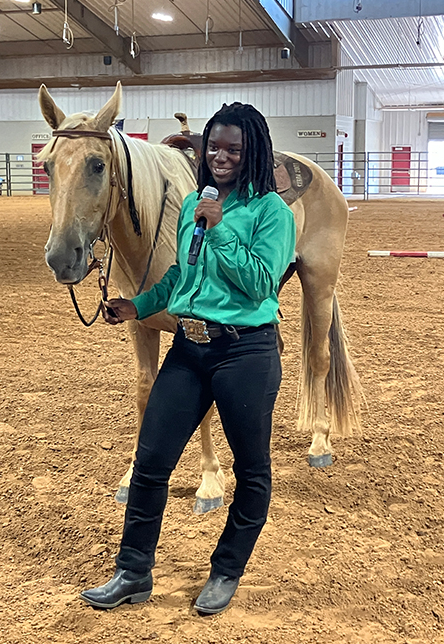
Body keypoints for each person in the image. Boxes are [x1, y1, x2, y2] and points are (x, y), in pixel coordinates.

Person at [78, 102, 295, 616]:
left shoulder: (271, 213)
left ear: (253, 153)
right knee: (151, 463)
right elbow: (181, 278)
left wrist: (218, 228)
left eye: (233, 149)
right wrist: (139, 305)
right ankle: (133, 572)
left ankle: (225, 572)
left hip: (246, 352)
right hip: (189, 348)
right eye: (214, 146)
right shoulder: (196, 201)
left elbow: (262, 283)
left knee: (252, 473)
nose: (220, 157)